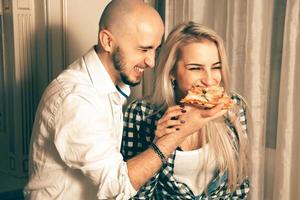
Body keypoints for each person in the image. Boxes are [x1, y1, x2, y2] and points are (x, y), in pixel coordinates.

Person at [23, 1, 224, 199]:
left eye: (155, 49)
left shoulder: (112, 87)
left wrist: (160, 140)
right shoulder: (76, 100)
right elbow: (116, 186)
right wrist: (177, 136)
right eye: (144, 49)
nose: (152, 62)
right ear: (108, 41)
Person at [121, 21, 251, 199]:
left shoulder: (234, 107)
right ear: (172, 72)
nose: (210, 80)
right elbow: (134, 196)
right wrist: (160, 143)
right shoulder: (140, 113)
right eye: (196, 68)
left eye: (216, 67)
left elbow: (240, 186)